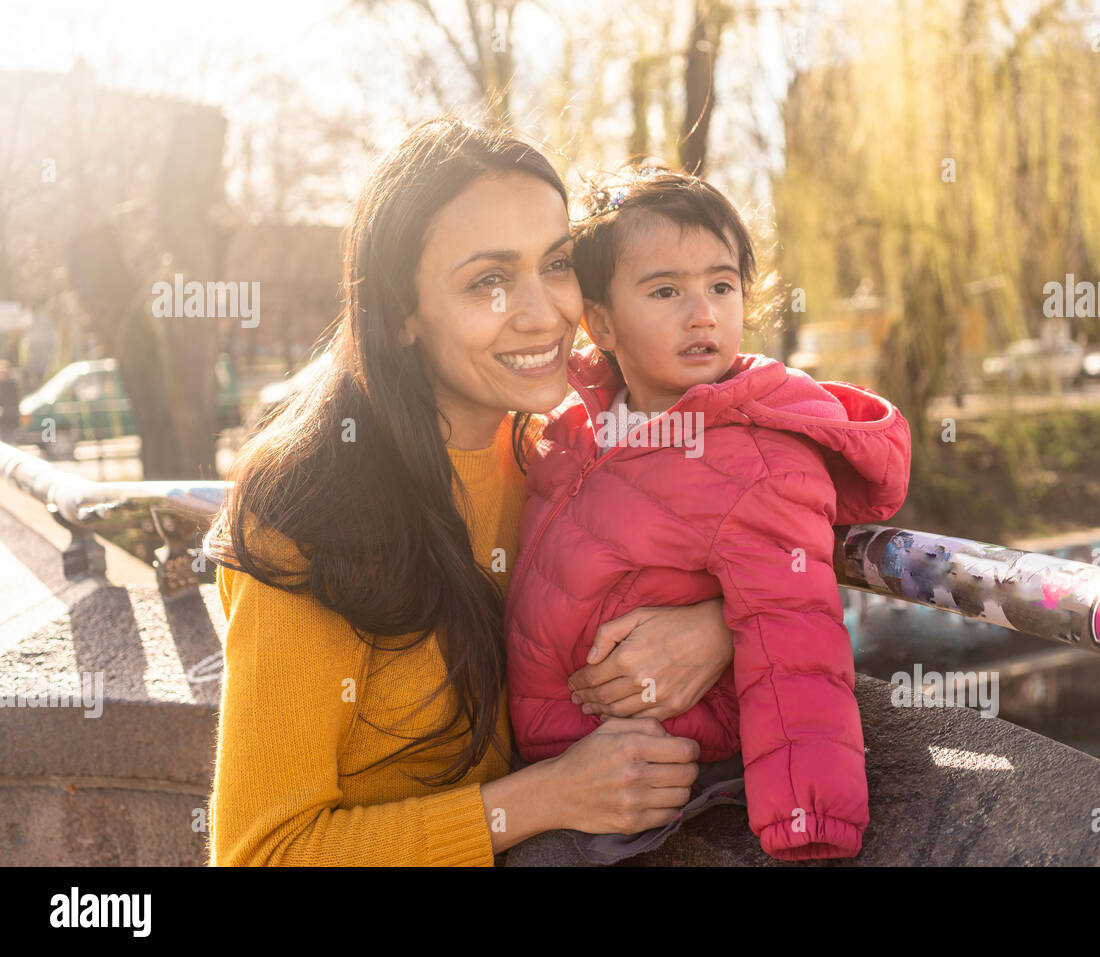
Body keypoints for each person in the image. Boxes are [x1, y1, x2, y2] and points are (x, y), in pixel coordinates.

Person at [200, 118, 741, 866]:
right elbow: (263, 852)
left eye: (556, 263)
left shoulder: (560, 456)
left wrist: (719, 623)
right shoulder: (306, 516)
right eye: (488, 280)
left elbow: (779, 495)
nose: (545, 310)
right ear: (400, 317)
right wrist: (543, 799)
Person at [505, 166, 912, 861]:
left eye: (721, 286)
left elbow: (795, 637)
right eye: (666, 290)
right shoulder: (577, 423)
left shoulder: (760, 458)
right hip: (556, 757)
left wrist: (806, 816)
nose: (702, 312)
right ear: (600, 321)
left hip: (658, 766)